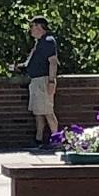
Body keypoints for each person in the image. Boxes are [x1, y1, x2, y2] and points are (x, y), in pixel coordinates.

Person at [23, 15, 61, 147]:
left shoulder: (48, 41)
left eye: (32, 26)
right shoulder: (39, 42)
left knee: (47, 112)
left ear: (39, 27)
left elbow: (53, 62)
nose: (31, 30)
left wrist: (51, 81)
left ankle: (57, 140)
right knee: (38, 112)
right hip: (36, 80)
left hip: (43, 81)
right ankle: (39, 139)